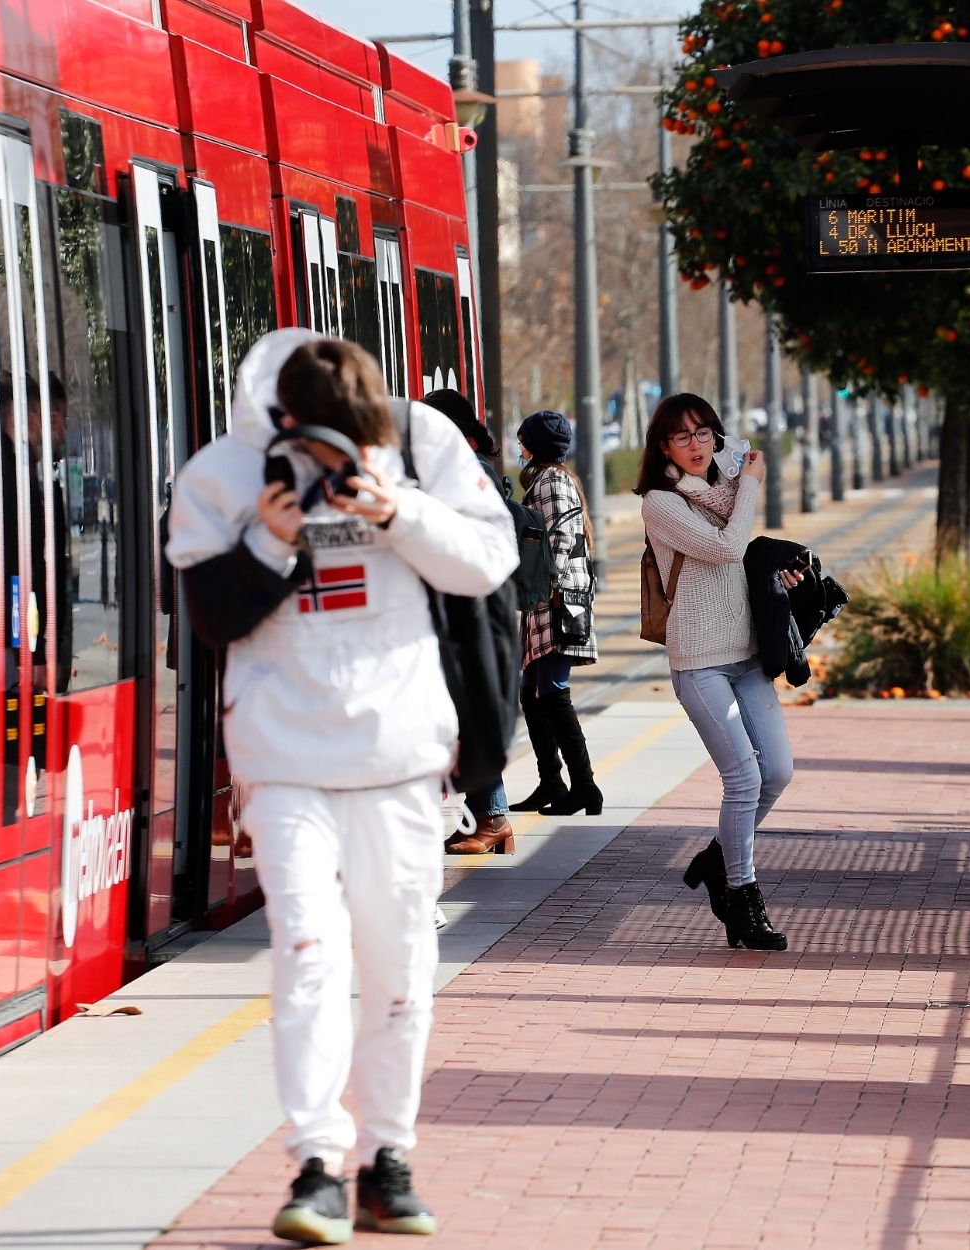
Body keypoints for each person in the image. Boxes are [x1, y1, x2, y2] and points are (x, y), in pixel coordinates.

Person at [166, 330, 517, 1245]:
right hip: (284, 759)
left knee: (399, 966)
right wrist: (270, 543)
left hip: (400, 756)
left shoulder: (421, 444)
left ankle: (387, 1160)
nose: (332, 459)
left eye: (353, 438)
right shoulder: (222, 473)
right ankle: (316, 1163)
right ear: (280, 422)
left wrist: (398, 508)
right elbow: (208, 616)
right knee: (309, 957)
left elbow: (487, 563)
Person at [634, 393, 799, 952]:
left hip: (747, 653)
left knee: (776, 771)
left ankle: (715, 857)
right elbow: (728, 548)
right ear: (663, 447)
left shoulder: (726, 489)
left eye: (704, 433)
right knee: (744, 779)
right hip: (699, 659)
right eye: (683, 437)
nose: (697, 446)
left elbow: (746, 554)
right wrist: (752, 483)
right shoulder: (661, 503)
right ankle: (741, 897)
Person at [419, 387, 516, 855]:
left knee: (473, 710)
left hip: (474, 611)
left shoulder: (466, 471)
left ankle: (494, 817)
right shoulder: (469, 466)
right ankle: (486, 816)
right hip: (471, 608)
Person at [509, 409, 601, 817]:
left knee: (552, 693)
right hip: (549, 600)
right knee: (532, 692)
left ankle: (585, 787)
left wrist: (545, 585)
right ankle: (552, 782)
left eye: (522, 440)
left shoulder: (552, 481)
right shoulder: (551, 479)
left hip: (558, 601)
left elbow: (560, 537)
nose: (519, 447)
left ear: (535, 446)